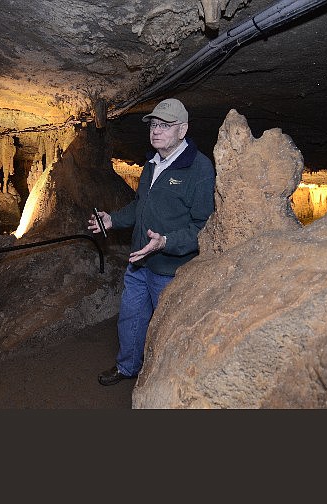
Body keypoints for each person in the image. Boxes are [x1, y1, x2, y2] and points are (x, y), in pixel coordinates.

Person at [88, 97, 215, 386]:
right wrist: (113, 220)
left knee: (167, 328)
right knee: (131, 318)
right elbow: (139, 205)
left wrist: (166, 242)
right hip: (139, 261)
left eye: (165, 126)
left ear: (182, 130)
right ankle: (127, 366)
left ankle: (168, 382)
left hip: (170, 270)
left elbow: (203, 227)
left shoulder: (199, 169)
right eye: (154, 124)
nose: (156, 131)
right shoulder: (151, 163)